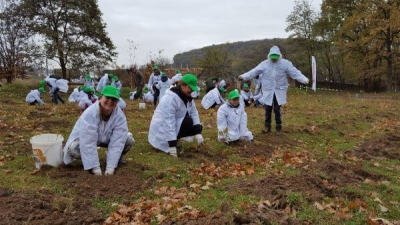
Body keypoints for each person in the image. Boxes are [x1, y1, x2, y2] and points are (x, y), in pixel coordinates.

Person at [63, 85, 135, 175]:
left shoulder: (119, 116)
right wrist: (95, 167)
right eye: (108, 97)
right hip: (87, 139)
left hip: (106, 138)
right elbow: (88, 141)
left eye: (114, 99)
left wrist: (110, 167)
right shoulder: (90, 113)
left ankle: (116, 159)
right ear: (101, 97)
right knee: (73, 149)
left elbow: (118, 140)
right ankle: (88, 163)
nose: (110, 101)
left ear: (117, 101)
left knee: (128, 140)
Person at [238, 45, 309, 133]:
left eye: (275, 57)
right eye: (272, 58)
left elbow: (294, 72)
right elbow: (254, 71)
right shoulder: (264, 64)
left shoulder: (285, 63)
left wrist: (304, 79)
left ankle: (278, 127)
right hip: (268, 90)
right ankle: (267, 127)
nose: (274, 59)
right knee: (267, 108)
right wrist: (243, 77)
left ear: (279, 56)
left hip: (279, 89)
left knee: (277, 109)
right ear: (269, 56)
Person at [148, 74, 204, 157]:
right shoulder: (170, 99)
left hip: (174, 123)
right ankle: (166, 143)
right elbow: (168, 121)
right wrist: (172, 144)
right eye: (190, 88)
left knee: (193, 124)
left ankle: (175, 139)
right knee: (187, 121)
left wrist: (198, 132)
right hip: (161, 129)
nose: (192, 91)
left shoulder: (187, 97)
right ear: (183, 86)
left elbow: (193, 112)